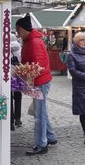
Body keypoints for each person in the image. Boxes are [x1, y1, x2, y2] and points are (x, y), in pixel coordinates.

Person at [16, 13, 57, 156]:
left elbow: (37, 66)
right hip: (39, 81)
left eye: (18, 30)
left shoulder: (34, 42)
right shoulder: (30, 40)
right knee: (41, 112)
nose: (17, 33)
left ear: (23, 29)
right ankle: (51, 137)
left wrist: (26, 74)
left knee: (39, 115)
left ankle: (41, 145)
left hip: (40, 82)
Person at [10, 33, 22, 131]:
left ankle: (10, 122)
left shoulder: (5, 49)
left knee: (9, 98)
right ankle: (18, 119)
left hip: (8, 77)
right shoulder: (19, 48)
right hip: (18, 75)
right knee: (18, 98)